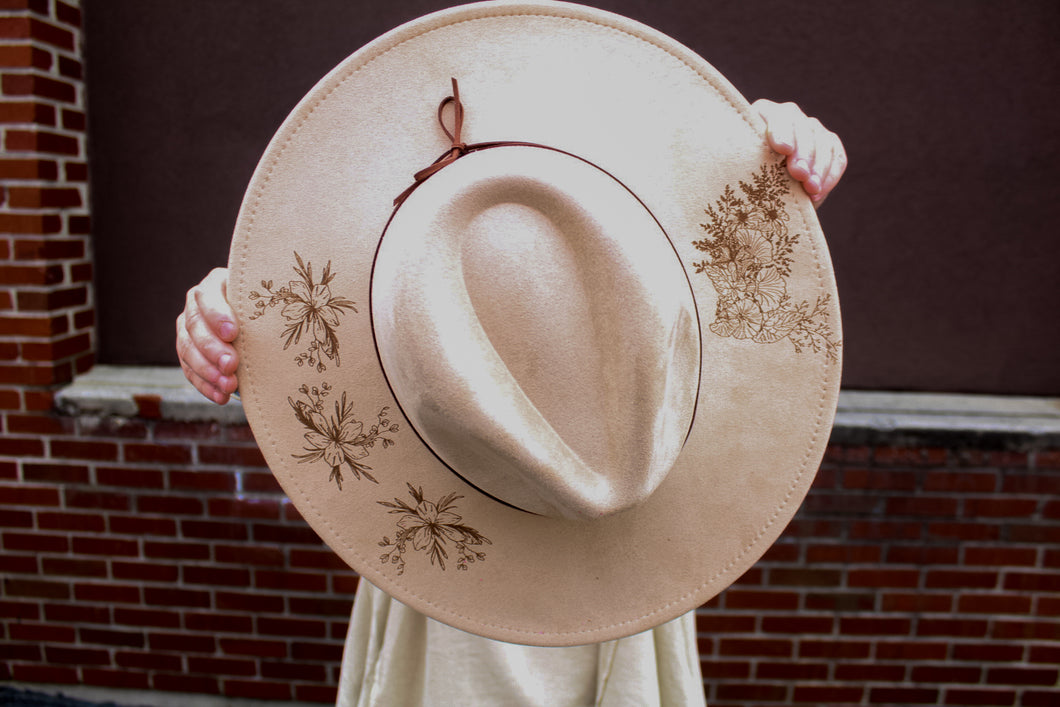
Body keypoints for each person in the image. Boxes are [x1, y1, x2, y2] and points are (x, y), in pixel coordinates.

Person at [177, 100, 846, 705]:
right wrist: (238, 314)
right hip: (445, 609)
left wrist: (759, 153)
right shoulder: (471, 222)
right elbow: (325, 292)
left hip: (623, 578)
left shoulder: (613, 221)